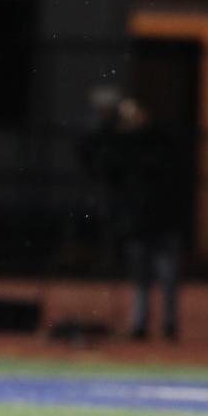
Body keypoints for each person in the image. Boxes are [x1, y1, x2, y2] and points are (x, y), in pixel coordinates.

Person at [83, 97, 183, 340]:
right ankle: (140, 323)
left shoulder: (157, 143)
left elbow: (165, 160)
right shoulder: (123, 147)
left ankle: (168, 323)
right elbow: (96, 158)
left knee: (167, 276)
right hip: (139, 223)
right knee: (141, 277)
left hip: (162, 221)